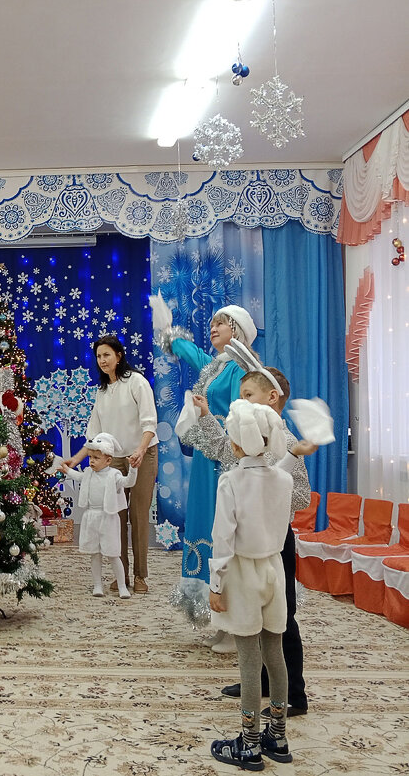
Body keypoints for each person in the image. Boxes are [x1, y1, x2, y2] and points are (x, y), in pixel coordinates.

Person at [194, 364, 314, 716]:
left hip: (274, 542)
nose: (241, 402)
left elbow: (301, 496)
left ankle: (295, 694)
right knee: (254, 617)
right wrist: (205, 416)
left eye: (247, 395)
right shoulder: (245, 444)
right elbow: (224, 447)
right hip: (247, 540)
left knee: (282, 618)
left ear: (271, 396)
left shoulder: (286, 443)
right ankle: (261, 682)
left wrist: (264, 501)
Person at [154, 299, 257, 646]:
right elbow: (193, 355)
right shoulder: (217, 366)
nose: (213, 328)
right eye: (212, 323)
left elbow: (240, 418)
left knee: (222, 529)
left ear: (238, 331)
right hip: (205, 460)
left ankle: (234, 621)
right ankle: (221, 619)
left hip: (224, 461)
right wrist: (169, 333)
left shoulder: (241, 369)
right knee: (204, 525)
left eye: (222, 323)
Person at [209, 399, 294, 770]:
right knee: (275, 653)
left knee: (248, 660)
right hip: (275, 568)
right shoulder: (284, 478)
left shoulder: (231, 480)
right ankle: (278, 734)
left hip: (243, 572)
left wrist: (216, 583)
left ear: (236, 444)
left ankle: (248, 742)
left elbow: (223, 538)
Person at [62, 335, 157, 594]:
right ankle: (121, 574)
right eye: (99, 356)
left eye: (107, 355)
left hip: (142, 455)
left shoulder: (136, 382)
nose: (103, 360)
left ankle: (140, 576)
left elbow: (149, 423)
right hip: (112, 459)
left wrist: (139, 450)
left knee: (138, 516)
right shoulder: (102, 392)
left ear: (119, 355)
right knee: (116, 516)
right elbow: (93, 436)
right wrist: (77, 459)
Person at [59, 433, 137, 599]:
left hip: (108, 517)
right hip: (91, 517)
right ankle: (97, 585)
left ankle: (122, 586)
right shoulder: (88, 473)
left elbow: (128, 482)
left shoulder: (114, 475)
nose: (91, 461)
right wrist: (67, 470)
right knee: (95, 553)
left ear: (108, 460)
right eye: (90, 457)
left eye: (96, 457)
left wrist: (133, 469)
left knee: (113, 553)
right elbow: (78, 477)